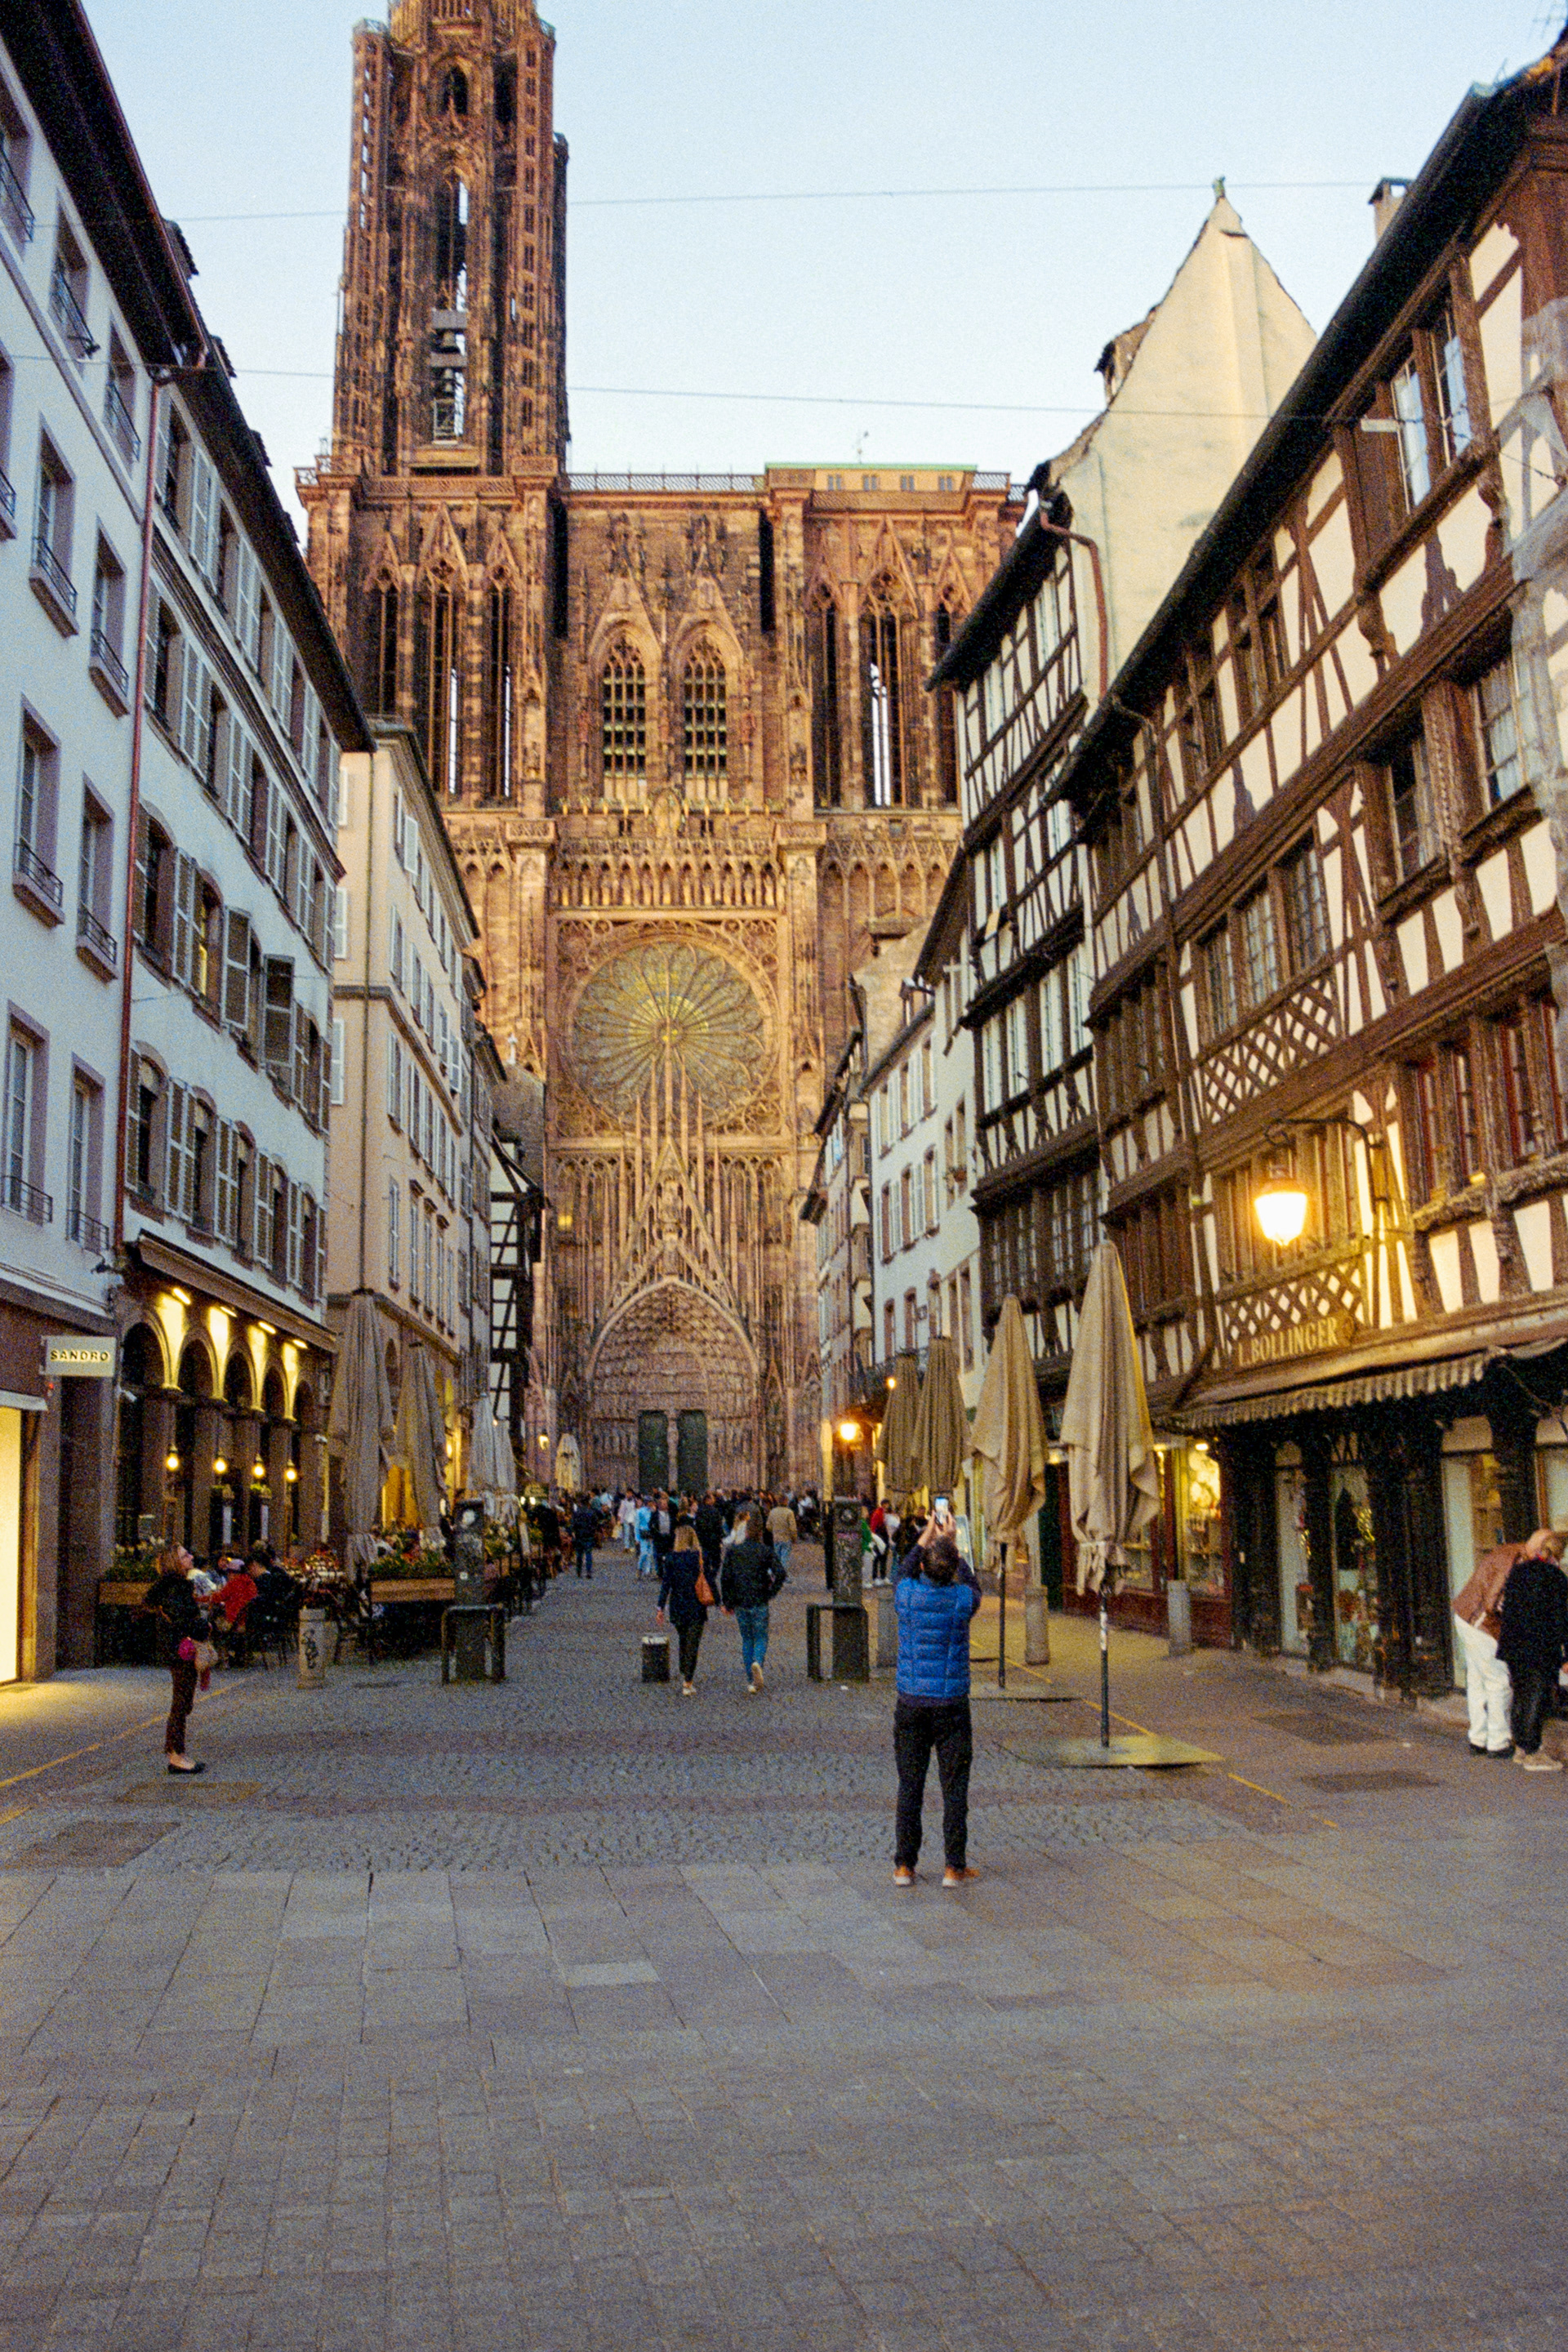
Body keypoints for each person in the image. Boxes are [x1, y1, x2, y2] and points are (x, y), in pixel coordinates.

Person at [891, 1524, 982, 1886]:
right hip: (952, 1705)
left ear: (923, 1567)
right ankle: (953, 1866)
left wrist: (926, 1536)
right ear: (953, 1568)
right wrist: (955, 1547)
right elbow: (974, 1587)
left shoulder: (907, 1595)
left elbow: (900, 1573)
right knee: (954, 1788)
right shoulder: (962, 1600)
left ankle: (904, 1865)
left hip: (911, 1703)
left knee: (910, 1785)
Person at [1497, 1528, 1568, 1771]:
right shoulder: (1556, 1578)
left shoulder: (1519, 1571)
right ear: (1558, 1554)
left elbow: (1507, 1608)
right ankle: (1532, 1752)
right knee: (1537, 1698)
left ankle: (1520, 1747)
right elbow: (1562, 1620)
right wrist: (1566, 1655)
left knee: (1520, 1695)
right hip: (1540, 1648)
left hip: (1514, 1645)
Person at [1453, 1534, 1528, 1757]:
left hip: (1465, 1615)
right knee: (1498, 1681)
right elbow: (1492, 1603)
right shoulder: (1517, 1560)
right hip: (1481, 1622)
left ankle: (1478, 1738)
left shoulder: (1506, 1551)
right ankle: (1498, 1741)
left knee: (1477, 1679)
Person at [144, 1545, 208, 1775]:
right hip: (181, 1650)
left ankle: (177, 1752)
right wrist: (204, 1626)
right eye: (185, 1555)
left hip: (177, 1649)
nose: (190, 1557)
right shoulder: (176, 1588)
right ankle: (175, 1754)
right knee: (181, 1702)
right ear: (175, 1562)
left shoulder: (174, 1586)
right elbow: (184, 1620)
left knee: (184, 1700)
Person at [721, 1508, 782, 1693]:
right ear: (760, 1533)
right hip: (760, 1599)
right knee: (761, 1637)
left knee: (747, 1639)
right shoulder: (765, 1551)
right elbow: (780, 1573)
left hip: (740, 1601)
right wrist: (771, 1592)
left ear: (746, 1532)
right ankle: (758, 1662)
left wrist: (727, 1602)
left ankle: (750, 1679)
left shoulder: (734, 1551)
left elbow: (726, 1578)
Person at [657, 1524, 710, 1695]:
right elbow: (709, 1579)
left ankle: (684, 1667)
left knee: (684, 1638)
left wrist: (660, 1607)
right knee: (693, 1643)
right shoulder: (699, 1557)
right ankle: (688, 1681)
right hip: (696, 1605)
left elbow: (666, 1584)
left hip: (677, 1606)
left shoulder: (671, 1558)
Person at [766, 1494, 797, 1583]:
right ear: (786, 1502)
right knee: (785, 1557)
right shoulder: (789, 1513)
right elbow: (793, 1528)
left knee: (777, 1556)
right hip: (786, 1538)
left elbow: (768, 1526)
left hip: (776, 1537)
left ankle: (774, 1573)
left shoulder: (773, 1512)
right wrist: (794, 1537)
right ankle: (783, 1576)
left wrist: (774, 1530)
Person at [571, 1494, 599, 1579]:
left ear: (580, 1503)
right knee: (588, 1553)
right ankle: (588, 1571)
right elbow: (595, 1523)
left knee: (579, 1554)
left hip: (579, 1535)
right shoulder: (591, 1512)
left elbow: (573, 1524)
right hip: (589, 1535)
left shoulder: (576, 1513)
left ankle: (579, 1571)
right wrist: (593, 1531)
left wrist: (574, 1532)